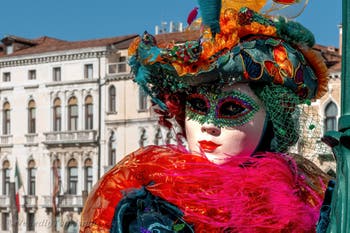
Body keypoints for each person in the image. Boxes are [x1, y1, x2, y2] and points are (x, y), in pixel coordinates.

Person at [80, 1, 332, 232]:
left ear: (273, 120)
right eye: (198, 107)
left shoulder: (303, 201)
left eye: (232, 110)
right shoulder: (153, 203)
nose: (209, 125)